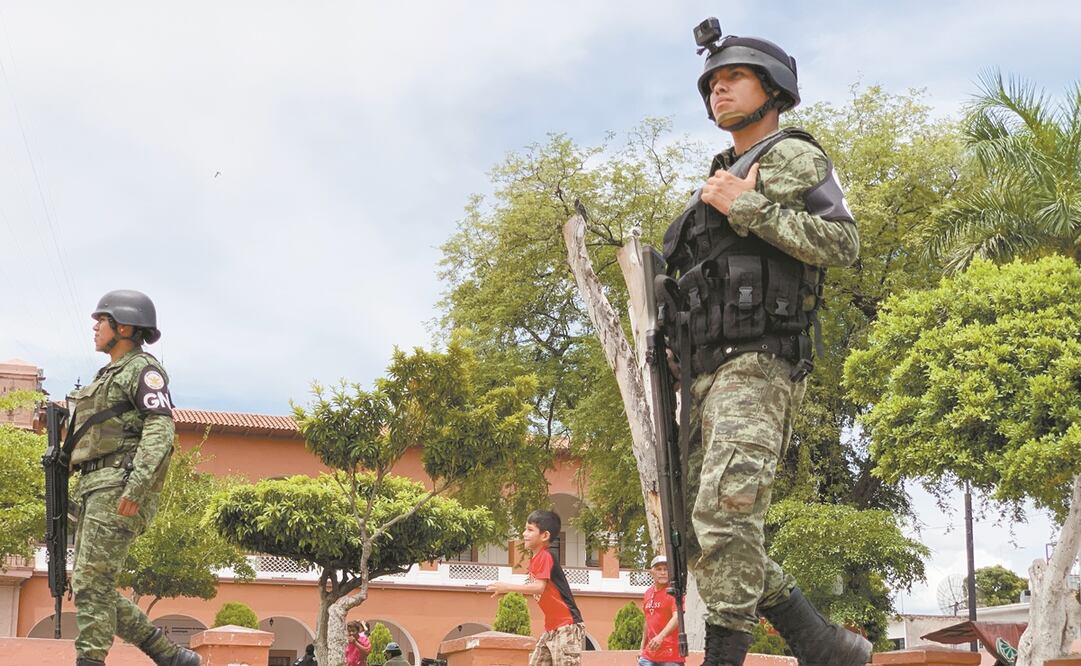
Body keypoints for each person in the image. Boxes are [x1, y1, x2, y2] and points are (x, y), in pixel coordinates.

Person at [659, 18, 873, 666]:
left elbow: (843, 241)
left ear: (772, 88)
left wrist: (746, 208)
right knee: (710, 534)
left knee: (726, 519)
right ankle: (821, 644)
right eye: (711, 84)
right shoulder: (718, 177)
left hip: (756, 368)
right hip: (703, 375)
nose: (718, 91)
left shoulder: (789, 156)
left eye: (733, 78)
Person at [68, 290, 197, 666]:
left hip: (117, 487)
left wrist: (136, 487)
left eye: (101, 320)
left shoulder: (143, 370)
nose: (95, 326)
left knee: (92, 585)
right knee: (93, 586)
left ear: (123, 327)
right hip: (97, 487)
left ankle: (90, 660)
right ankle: (170, 656)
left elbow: (160, 430)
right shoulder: (108, 374)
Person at [486, 510, 585, 666]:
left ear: (544, 536)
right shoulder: (536, 559)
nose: (524, 533)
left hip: (567, 627)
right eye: (525, 529)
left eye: (530, 530)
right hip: (551, 629)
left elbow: (538, 587)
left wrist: (507, 587)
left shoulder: (546, 556)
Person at [639, 556, 684, 666]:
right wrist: (642, 648)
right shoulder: (648, 593)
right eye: (659, 569)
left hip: (671, 656)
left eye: (666, 569)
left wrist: (660, 637)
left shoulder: (674, 592)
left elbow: (677, 617)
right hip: (649, 655)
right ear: (652, 572)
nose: (663, 572)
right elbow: (647, 621)